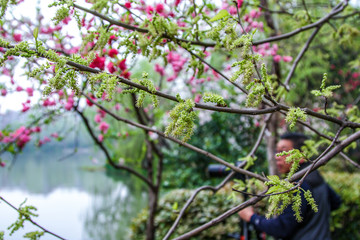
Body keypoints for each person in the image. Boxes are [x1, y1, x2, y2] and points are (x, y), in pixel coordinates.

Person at [238, 132, 342, 240]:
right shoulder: (315, 176)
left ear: (301, 155)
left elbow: (282, 228)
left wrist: (252, 218)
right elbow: (335, 202)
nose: (277, 156)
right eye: (277, 151)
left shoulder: (297, 185)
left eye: (283, 151)